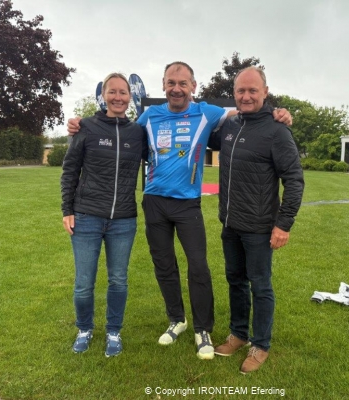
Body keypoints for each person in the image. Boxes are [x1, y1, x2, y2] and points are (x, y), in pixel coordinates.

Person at [67, 61, 292, 360]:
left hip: (188, 204)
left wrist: (277, 112)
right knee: (164, 266)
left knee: (198, 267)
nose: (176, 89)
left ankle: (203, 329)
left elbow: (243, 110)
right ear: (163, 85)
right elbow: (118, 129)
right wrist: (79, 123)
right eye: (171, 83)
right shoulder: (149, 116)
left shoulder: (206, 112)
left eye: (183, 83)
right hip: (154, 202)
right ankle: (177, 320)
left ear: (193, 86)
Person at [208, 67, 304, 373]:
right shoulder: (230, 126)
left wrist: (283, 224)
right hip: (230, 223)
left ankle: (260, 345)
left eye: (253, 90)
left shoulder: (277, 131)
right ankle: (238, 334)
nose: (246, 96)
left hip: (260, 228)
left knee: (260, 286)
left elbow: (294, 180)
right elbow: (202, 132)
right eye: (241, 90)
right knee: (235, 280)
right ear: (234, 93)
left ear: (265, 92)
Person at [61, 72, 147, 357]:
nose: (118, 97)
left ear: (130, 97)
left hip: (123, 219)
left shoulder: (138, 132)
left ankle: (113, 331)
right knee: (84, 283)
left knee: (118, 280)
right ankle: (84, 329)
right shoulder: (86, 126)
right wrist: (67, 210)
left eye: (123, 92)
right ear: (103, 95)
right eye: (113, 92)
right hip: (86, 216)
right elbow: (70, 170)